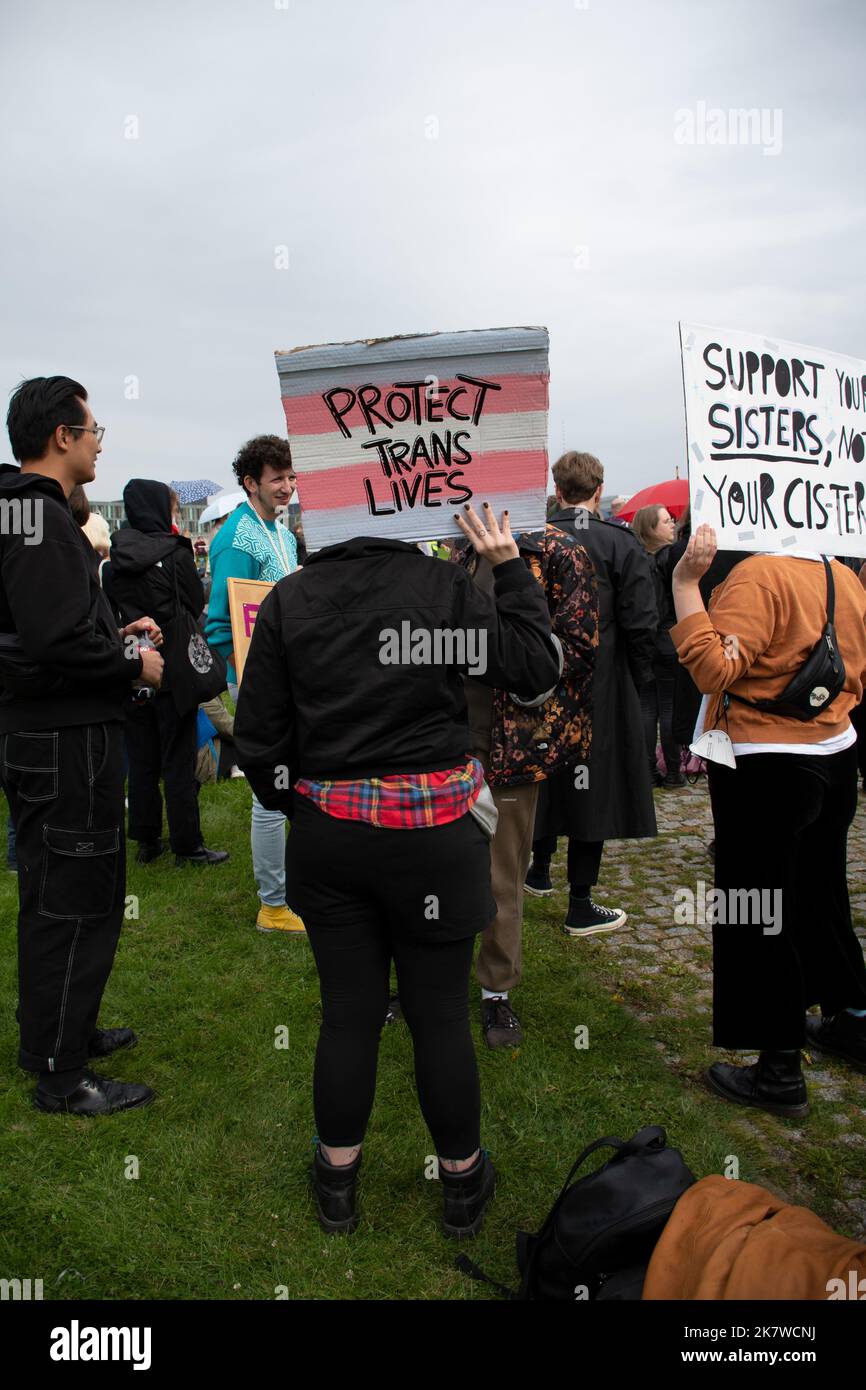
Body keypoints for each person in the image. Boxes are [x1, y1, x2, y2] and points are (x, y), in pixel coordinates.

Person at [233, 504, 561, 1237]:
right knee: (438, 1013)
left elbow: (259, 738)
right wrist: (509, 566)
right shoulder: (438, 587)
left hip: (333, 839)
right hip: (433, 838)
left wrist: (309, 807)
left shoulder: (294, 598)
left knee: (349, 1013)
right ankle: (460, 1183)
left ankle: (338, 1182)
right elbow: (535, 666)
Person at [0, 376, 163, 1115]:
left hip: (52, 734)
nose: (99, 443)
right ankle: (62, 1078)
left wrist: (113, 636)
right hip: (64, 742)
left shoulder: (29, 513)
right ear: (62, 436)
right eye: (94, 430)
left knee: (57, 893)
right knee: (75, 900)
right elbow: (50, 639)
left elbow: (48, 631)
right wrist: (133, 662)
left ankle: (59, 1034)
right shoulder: (35, 516)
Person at [671, 525, 866, 1117]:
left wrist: (685, 584)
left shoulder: (760, 574)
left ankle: (778, 1069)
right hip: (833, 754)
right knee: (821, 893)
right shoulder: (843, 574)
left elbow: (711, 669)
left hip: (767, 764)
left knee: (757, 908)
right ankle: (850, 1018)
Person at [458, 524, 598, 1046]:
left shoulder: (560, 552)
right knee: (437, 863)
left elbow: (580, 648)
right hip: (448, 733)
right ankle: (434, 974)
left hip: (513, 737)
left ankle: (496, 990)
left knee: (501, 871)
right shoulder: (459, 546)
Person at [528, 451, 658, 935]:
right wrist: (637, 679)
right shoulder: (619, 543)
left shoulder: (535, 539)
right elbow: (642, 621)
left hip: (544, 678)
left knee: (545, 769)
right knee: (591, 785)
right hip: (600, 681)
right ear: (598, 490)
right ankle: (579, 901)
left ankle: (538, 869)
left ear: (557, 488)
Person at [204, 435, 302, 933]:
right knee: (269, 790)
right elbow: (220, 624)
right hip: (258, 682)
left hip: (294, 677)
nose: (286, 487)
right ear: (250, 483)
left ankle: (297, 889)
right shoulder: (234, 537)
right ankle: (274, 904)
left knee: (299, 780)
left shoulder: (282, 534)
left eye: (290, 477)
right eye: (276, 479)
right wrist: (245, 679)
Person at [103, 479, 229, 867]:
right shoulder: (176, 553)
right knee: (177, 758)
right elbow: (194, 600)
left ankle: (146, 841)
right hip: (173, 664)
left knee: (141, 759)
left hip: (132, 663)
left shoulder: (114, 561)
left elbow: (109, 614)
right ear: (161, 509)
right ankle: (187, 845)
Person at [631, 503, 683, 787]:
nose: (672, 524)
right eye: (666, 521)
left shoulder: (637, 560)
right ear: (651, 528)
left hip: (646, 639)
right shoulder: (671, 558)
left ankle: (648, 771)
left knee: (648, 707)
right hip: (668, 638)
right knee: (667, 707)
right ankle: (674, 771)